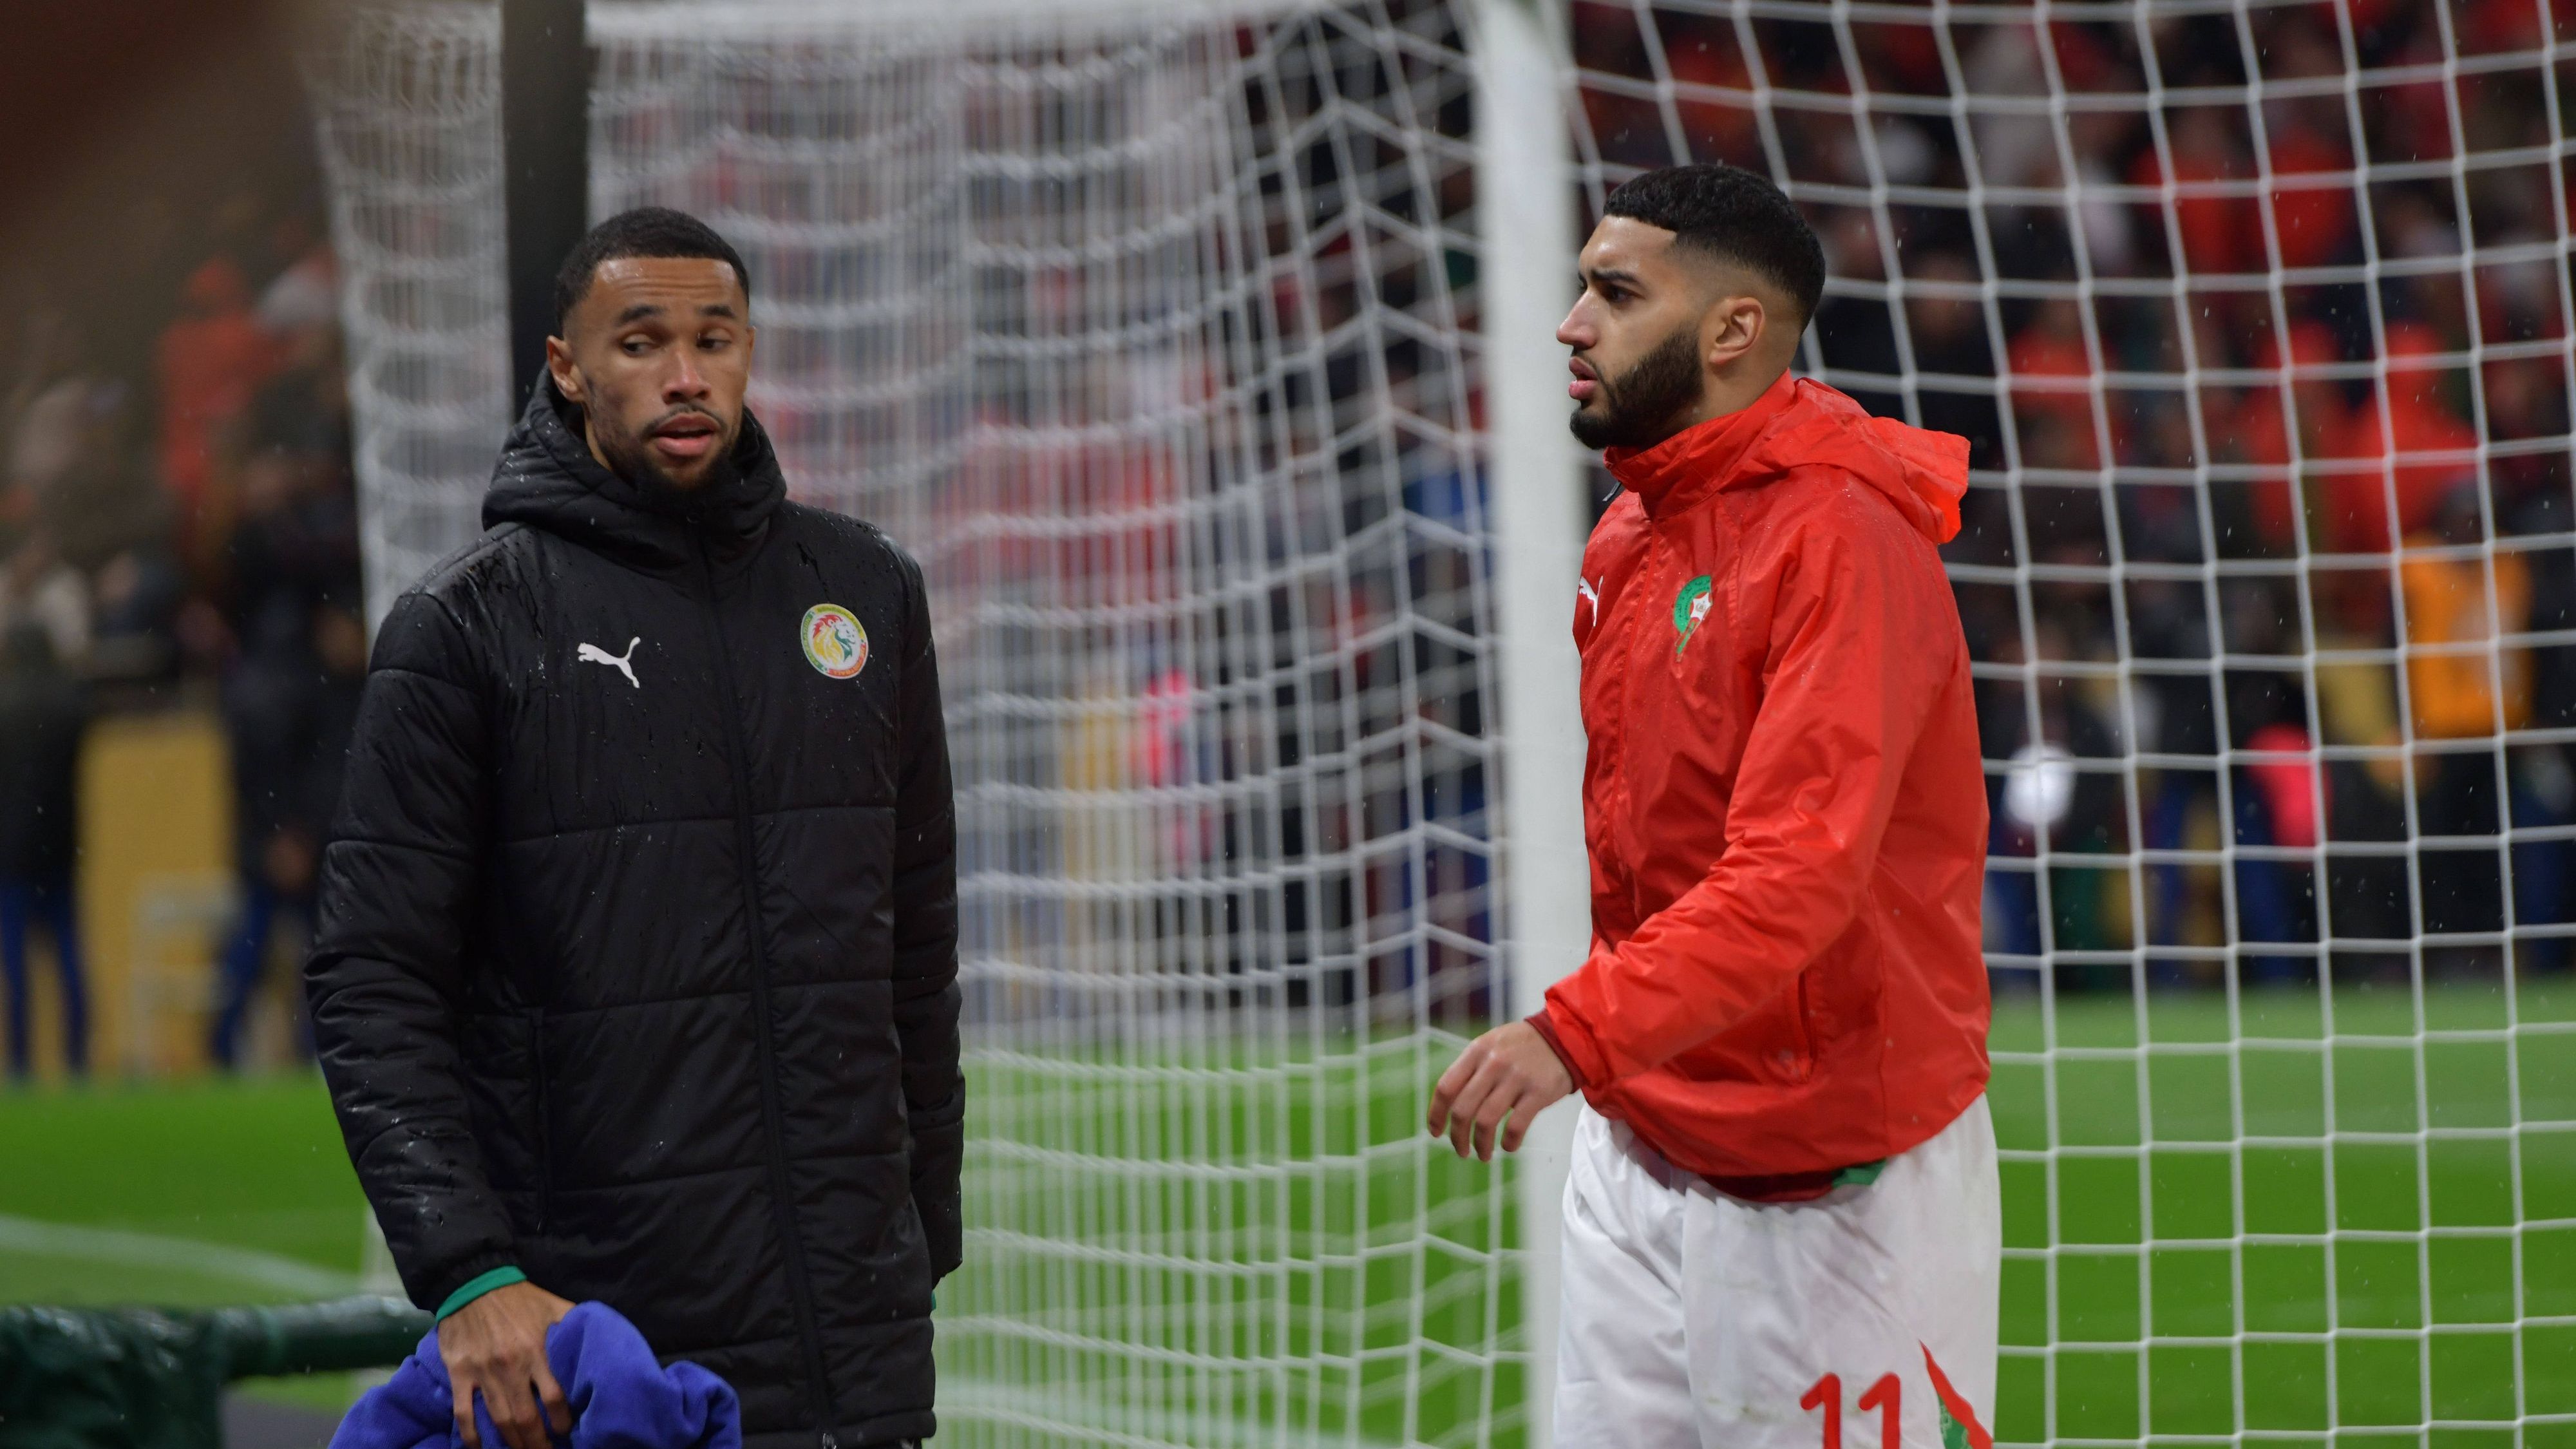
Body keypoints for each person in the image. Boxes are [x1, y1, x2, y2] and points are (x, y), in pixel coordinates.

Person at [306, 207, 961, 1449]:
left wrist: (923, 1231)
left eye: (715, 339)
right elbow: (370, 976)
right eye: (642, 341)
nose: (684, 375)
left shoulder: (867, 593)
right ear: (568, 367)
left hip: (857, 1343)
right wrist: (467, 1271)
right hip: (605, 1356)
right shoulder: (467, 627)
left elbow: (917, 950)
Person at [1425, 164, 1996, 1449]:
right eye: (1582, 287)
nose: (1571, 323)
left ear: (1735, 329)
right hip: (1641, 1135)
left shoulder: (1841, 540)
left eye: (1616, 294)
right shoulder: (1635, 529)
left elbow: (1795, 875)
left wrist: (1571, 1034)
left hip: (1829, 1175)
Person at [0, 621, 90, 1079]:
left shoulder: (5, 705)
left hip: (11, 854)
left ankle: (21, 1062)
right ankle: (77, 1058)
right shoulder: (69, 704)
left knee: (16, 965)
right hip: (60, 848)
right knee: (70, 957)